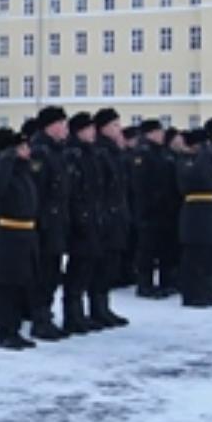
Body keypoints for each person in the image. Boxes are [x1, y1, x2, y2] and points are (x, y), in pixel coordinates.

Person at [0, 128, 41, 351]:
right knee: (8, 287)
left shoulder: (23, 172)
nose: (27, 151)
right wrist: (7, 158)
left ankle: (15, 328)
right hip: (9, 234)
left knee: (22, 285)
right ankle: (5, 331)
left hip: (26, 234)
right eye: (22, 147)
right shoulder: (3, 169)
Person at [28, 106, 71, 340]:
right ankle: (39, 318)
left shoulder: (57, 151)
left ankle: (45, 313)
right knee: (43, 272)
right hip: (44, 223)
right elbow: (37, 191)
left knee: (53, 271)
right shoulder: (40, 152)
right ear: (51, 126)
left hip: (56, 220)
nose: (65, 128)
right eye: (62, 123)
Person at [177, 120, 212, 307]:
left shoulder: (205, 159)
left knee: (207, 254)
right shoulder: (186, 161)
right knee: (194, 255)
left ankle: (204, 290)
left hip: (208, 211)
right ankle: (191, 294)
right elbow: (196, 179)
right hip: (195, 212)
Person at [60, 112, 104, 334]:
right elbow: (72, 191)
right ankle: (72, 315)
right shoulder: (73, 154)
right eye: (88, 129)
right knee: (77, 269)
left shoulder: (90, 153)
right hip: (79, 219)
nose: (93, 132)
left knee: (88, 267)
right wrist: (79, 217)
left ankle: (80, 313)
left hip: (91, 216)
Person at [87, 109, 131, 328]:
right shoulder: (100, 152)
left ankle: (103, 306)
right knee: (100, 265)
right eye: (114, 125)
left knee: (110, 265)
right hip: (104, 216)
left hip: (116, 215)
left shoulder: (114, 151)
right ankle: (96, 308)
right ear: (102, 128)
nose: (118, 129)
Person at [131, 120, 180, 298]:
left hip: (166, 209)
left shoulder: (164, 152)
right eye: (158, 132)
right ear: (149, 133)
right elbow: (140, 183)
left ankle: (166, 282)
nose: (162, 135)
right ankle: (145, 284)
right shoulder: (143, 153)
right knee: (147, 250)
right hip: (149, 210)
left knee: (165, 248)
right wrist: (151, 202)